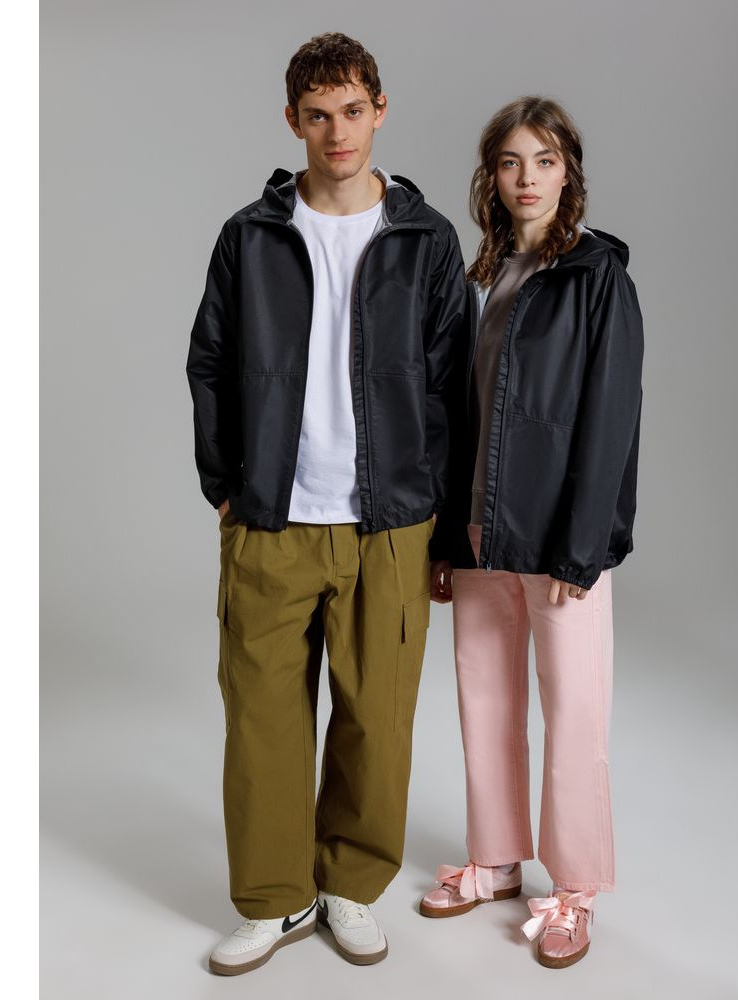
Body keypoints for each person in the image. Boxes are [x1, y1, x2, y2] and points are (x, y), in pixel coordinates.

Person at [186, 32, 467, 975]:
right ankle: (275, 899)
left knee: (376, 721)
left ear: (379, 111)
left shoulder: (427, 240)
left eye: (352, 111)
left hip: (389, 522)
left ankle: (349, 885)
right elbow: (210, 362)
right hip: (272, 518)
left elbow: (450, 386)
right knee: (261, 720)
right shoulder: (251, 235)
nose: (337, 132)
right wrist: (226, 485)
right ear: (292, 121)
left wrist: (436, 515)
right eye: (317, 115)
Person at [420, 96, 644, 970]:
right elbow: (462, 416)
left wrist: (583, 547)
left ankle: (575, 888)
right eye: (511, 162)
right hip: (483, 534)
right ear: (492, 175)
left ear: (568, 173)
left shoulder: (597, 278)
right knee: (485, 701)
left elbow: (610, 418)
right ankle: (496, 859)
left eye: (544, 161)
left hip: (558, 543)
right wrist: (448, 535)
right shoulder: (484, 276)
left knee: (574, 713)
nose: (527, 178)